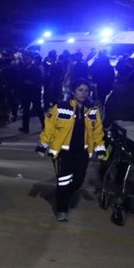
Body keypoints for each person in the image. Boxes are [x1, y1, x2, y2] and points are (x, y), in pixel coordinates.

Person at [36, 78, 106, 222]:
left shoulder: (92, 111)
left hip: (83, 152)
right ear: (73, 91)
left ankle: (65, 195)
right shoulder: (60, 107)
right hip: (63, 152)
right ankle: (62, 209)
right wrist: (43, 144)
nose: (83, 93)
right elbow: (49, 127)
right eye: (80, 90)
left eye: (86, 90)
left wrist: (100, 148)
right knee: (64, 181)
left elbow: (97, 131)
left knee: (78, 181)